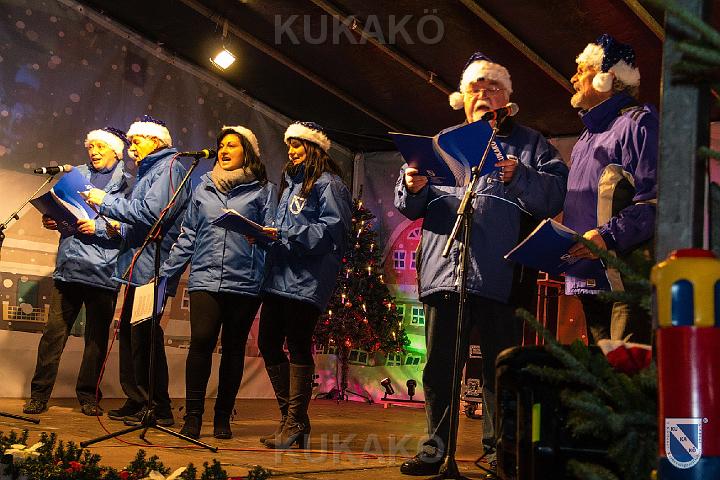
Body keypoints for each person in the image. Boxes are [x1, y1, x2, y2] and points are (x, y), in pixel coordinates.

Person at [395, 52, 568, 476]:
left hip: (503, 275)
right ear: (463, 98)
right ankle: (436, 449)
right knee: (439, 368)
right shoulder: (442, 142)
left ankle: (499, 452)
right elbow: (411, 207)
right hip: (444, 271)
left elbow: (554, 196)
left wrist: (520, 175)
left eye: (494, 88)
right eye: (476, 87)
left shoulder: (532, 144)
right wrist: (411, 185)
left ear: (508, 100)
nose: (484, 94)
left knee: (499, 371)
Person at [160, 125, 276, 439]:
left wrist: (261, 236)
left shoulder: (264, 190)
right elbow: (189, 234)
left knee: (234, 349)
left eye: (232, 145)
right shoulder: (203, 187)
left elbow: (273, 233)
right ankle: (193, 417)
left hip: (245, 282)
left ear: (247, 152)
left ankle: (223, 417)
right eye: (221, 145)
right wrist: (168, 273)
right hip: (204, 279)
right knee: (201, 341)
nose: (224, 150)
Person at [85, 115, 191, 427]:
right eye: (130, 141)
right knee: (133, 337)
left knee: (146, 336)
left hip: (153, 268)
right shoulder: (151, 171)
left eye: (137, 140)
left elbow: (151, 214)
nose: (132, 146)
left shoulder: (170, 167)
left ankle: (159, 407)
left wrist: (105, 201)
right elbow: (137, 221)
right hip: (139, 265)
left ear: (156, 141)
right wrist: (113, 227)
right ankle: (137, 398)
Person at [256, 121, 351, 449]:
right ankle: (293, 419)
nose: (291, 151)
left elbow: (333, 232)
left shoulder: (330, 184)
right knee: (268, 342)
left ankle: (294, 421)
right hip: (279, 276)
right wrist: (264, 234)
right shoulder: (290, 185)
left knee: (297, 343)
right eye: (289, 145)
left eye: (297, 144)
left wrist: (286, 233)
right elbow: (285, 227)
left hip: (307, 279)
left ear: (314, 147)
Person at [23, 127, 130, 416]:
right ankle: (39, 395)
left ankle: (88, 396)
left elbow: (131, 226)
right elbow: (62, 209)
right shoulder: (75, 176)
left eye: (100, 147)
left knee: (96, 340)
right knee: (53, 336)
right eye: (90, 146)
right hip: (70, 268)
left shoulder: (128, 184)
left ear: (115, 151)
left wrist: (99, 228)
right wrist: (51, 219)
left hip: (103, 272)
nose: (93, 152)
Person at [563, 34, 657, 345]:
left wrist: (608, 236)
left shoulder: (639, 124)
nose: (574, 78)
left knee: (626, 369)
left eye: (582, 70)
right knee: (601, 372)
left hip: (625, 282)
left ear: (608, 77)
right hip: (589, 279)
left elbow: (656, 201)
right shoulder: (584, 139)